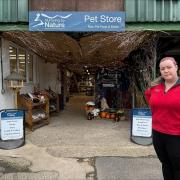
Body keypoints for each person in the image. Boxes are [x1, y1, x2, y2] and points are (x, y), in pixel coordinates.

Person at [145, 57, 180, 180]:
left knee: (177, 167)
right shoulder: (155, 87)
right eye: (162, 68)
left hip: (176, 135)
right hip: (158, 133)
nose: (166, 71)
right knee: (165, 163)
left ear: (176, 67)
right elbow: (148, 96)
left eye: (169, 67)